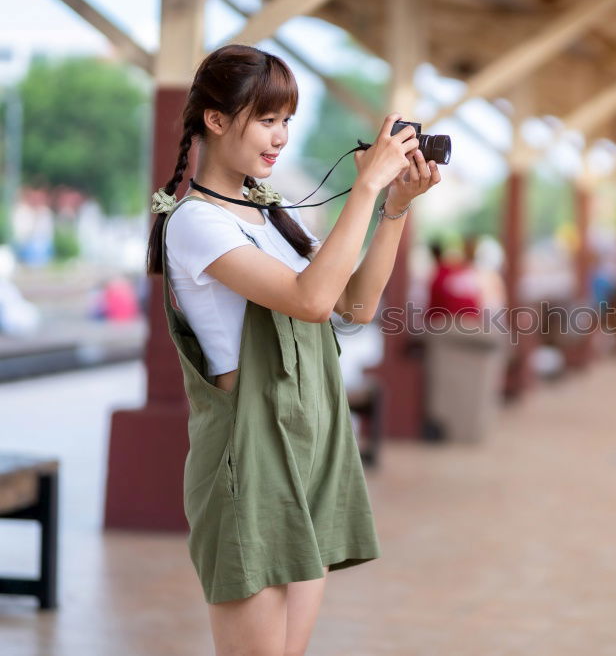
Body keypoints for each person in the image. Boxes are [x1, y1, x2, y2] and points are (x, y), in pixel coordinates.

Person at [144, 44, 441, 655]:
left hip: (310, 440)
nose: (279, 138)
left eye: (286, 121)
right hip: (249, 455)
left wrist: (393, 209)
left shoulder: (269, 213)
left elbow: (352, 306)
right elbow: (309, 300)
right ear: (216, 120)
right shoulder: (197, 223)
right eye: (267, 119)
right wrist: (364, 187)